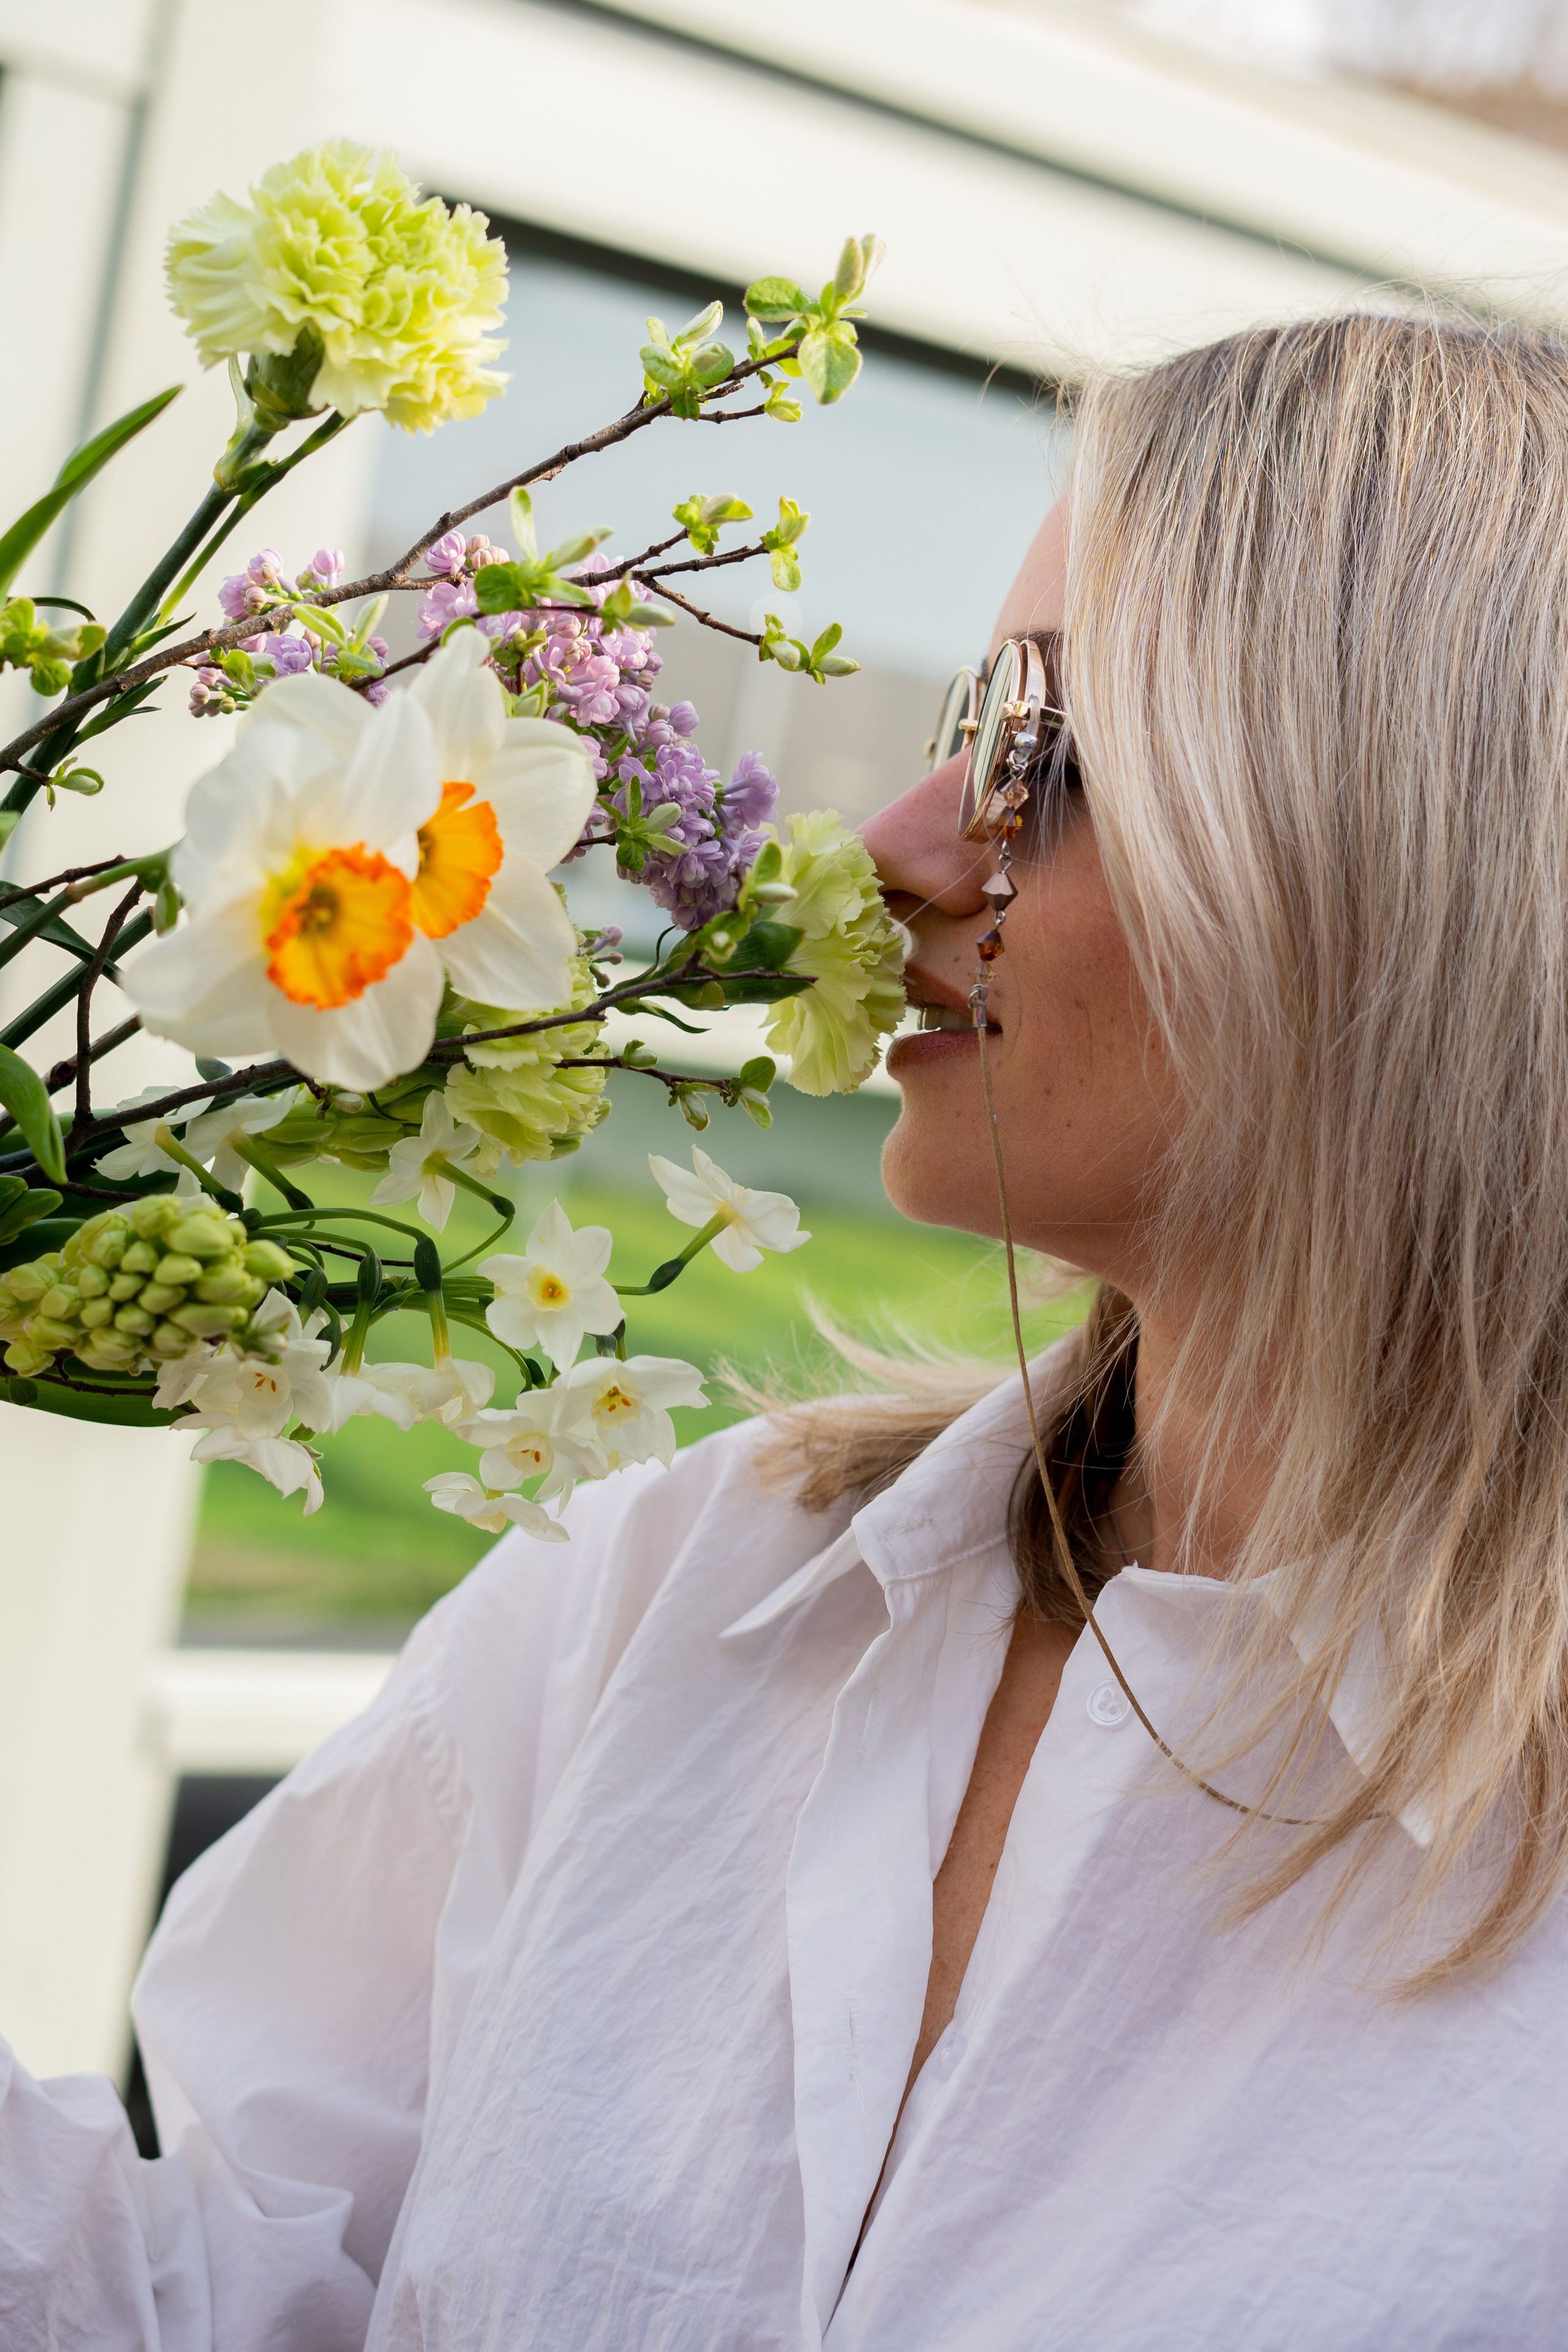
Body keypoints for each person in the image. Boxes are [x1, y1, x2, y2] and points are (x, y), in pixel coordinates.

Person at [9, 309, 1568, 2348]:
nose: (897, 850)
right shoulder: (683, 1586)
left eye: (1043, 755)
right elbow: (219, 2300)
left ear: (1398, 868)